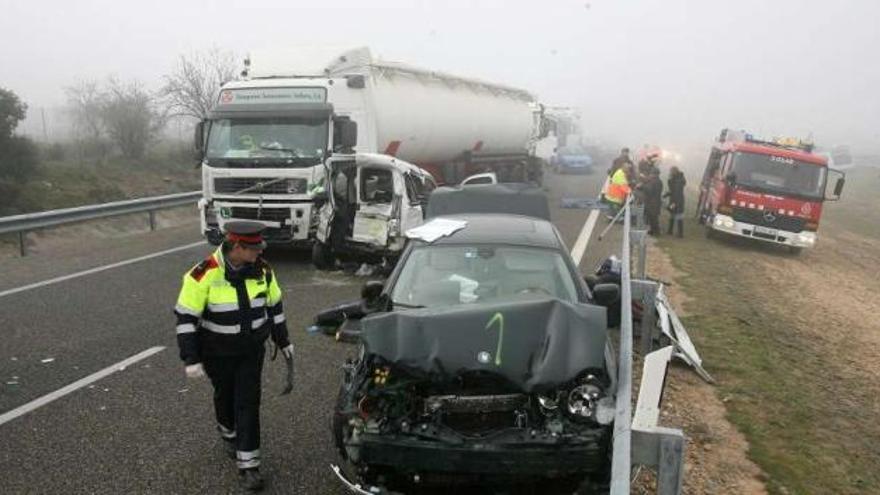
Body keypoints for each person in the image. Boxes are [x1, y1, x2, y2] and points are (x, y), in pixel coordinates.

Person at [174, 221, 293, 492]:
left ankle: (249, 467)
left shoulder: (263, 271)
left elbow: (274, 306)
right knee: (224, 396)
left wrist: (283, 340)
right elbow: (185, 318)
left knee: (248, 404)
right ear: (237, 247)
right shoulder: (202, 274)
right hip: (217, 352)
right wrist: (190, 358)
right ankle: (227, 431)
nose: (259, 254)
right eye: (253, 249)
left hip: (251, 351)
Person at [639, 167, 664, 235]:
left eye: (651, 173)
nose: (650, 175)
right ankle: (653, 230)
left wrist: (643, 186)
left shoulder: (655, 182)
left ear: (654, 174)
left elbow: (649, 190)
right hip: (653, 202)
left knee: (653, 218)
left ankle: (657, 232)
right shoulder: (656, 181)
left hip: (653, 203)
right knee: (651, 218)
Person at [665, 166, 687, 237]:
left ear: (674, 172)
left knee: (678, 216)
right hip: (676, 200)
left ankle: (680, 233)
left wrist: (674, 203)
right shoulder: (677, 179)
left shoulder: (678, 181)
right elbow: (673, 190)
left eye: (671, 172)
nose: (670, 173)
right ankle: (670, 230)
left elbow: (676, 192)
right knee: (672, 215)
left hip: (677, 201)